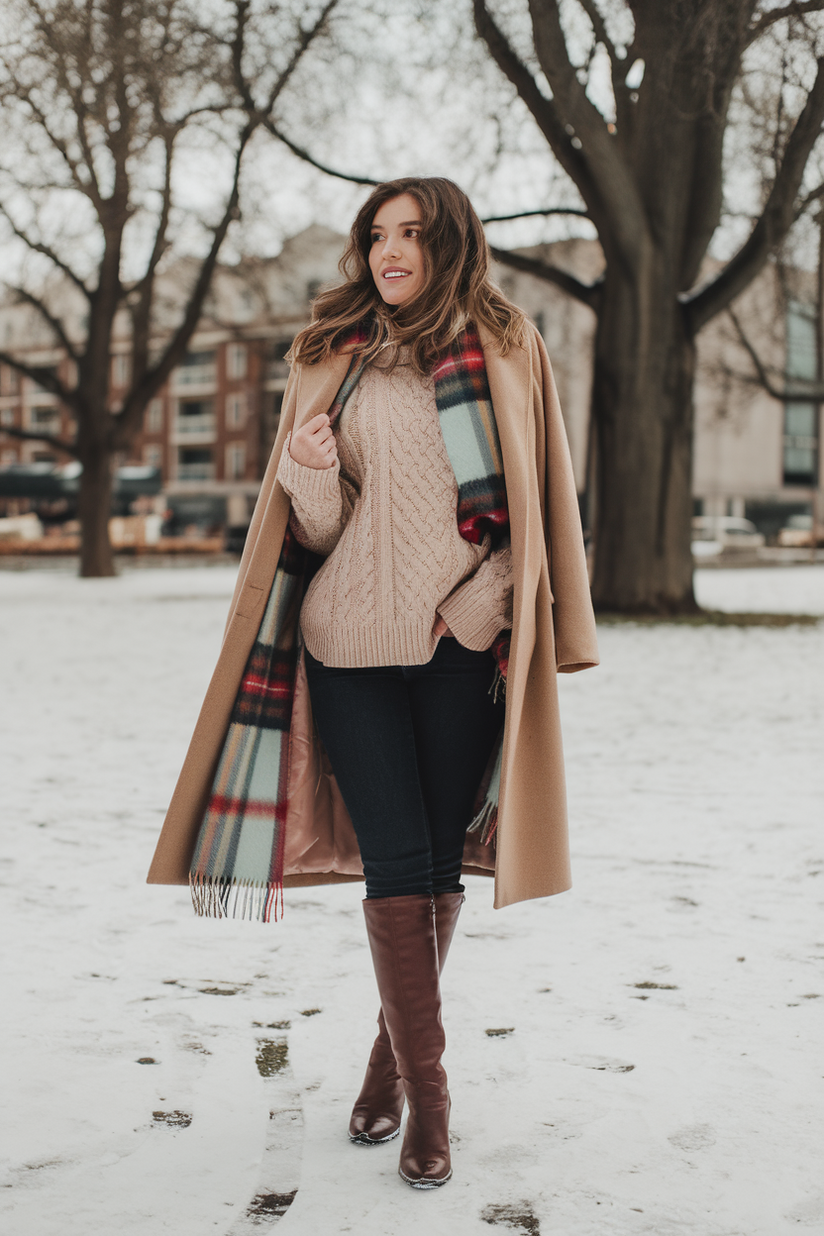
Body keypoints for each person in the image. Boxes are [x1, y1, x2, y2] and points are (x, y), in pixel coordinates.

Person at [147, 177, 598, 1192]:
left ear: (448, 244)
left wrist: (474, 611)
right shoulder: (330, 356)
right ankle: (430, 1108)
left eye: (409, 233)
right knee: (398, 859)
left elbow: (529, 507)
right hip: (340, 642)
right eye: (375, 234)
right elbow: (312, 533)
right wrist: (305, 472)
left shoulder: (505, 349)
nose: (388, 250)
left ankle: (387, 1069)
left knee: (436, 863)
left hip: (454, 648)